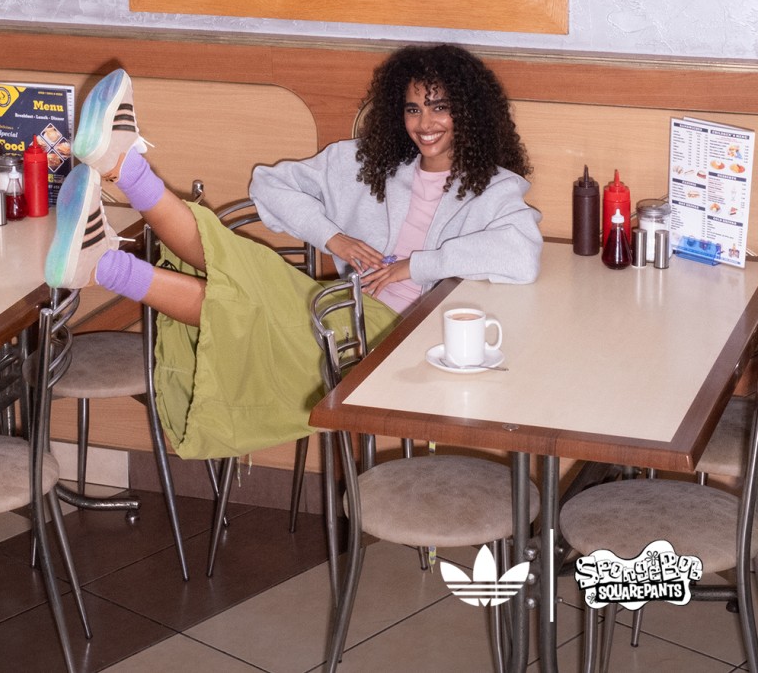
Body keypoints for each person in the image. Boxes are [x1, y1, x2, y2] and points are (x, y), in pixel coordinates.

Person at [44, 45, 542, 458]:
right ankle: (110, 230)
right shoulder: (369, 163)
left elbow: (521, 256)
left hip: (392, 341)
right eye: (413, 108)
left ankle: (121, 192)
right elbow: (269, 186)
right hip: (339, 310)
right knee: (246, 274)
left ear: (469, 114)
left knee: (246, 288)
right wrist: (333, 237)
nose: (424, 122)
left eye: (440, 107)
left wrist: (418, 264)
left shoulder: (493, 189)